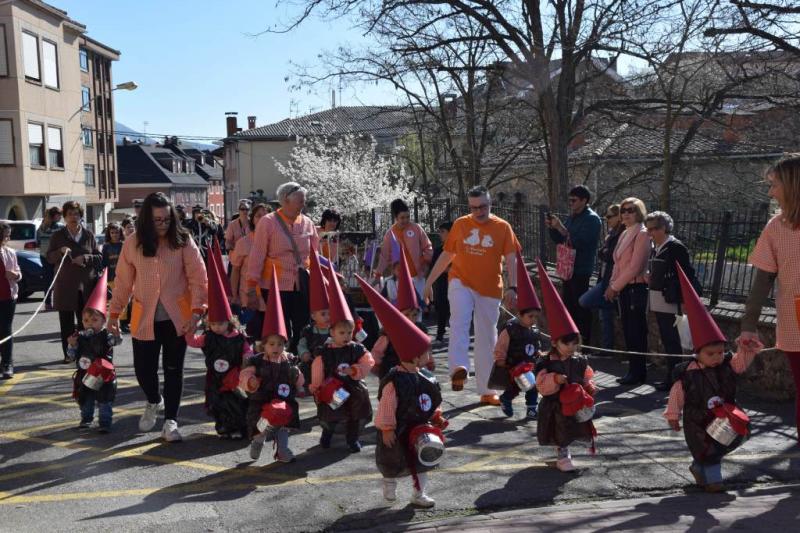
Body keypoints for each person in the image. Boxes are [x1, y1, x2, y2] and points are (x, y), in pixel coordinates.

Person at [108, 192, 207, 443]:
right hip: (144, 318)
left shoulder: (183, 240)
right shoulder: (132, 243)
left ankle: (171, 422)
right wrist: (114, 315)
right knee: (144, 371)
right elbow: (122, 283)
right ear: (146, 221)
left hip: (178, 318)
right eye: (157, 221)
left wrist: (197, 312)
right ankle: (154, 400)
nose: (163, 225)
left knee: (174, 370)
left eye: (166, 219)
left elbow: (198, 277)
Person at [665, 265, 764, 492]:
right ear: (696, 352)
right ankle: (712, 480)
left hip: (724, 418)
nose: (717, 357)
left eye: (720, 352)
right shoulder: (687, 374)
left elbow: (741, 362)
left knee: (720, 445)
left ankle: (700, 469)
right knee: (708, 449)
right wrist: (672, 415)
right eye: (711, 354)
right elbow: (676, 395)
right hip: (697, 422)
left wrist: (747, 348)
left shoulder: (727, 365)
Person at [423, 186, 518, 406]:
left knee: (487, 336)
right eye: (474, 207)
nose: (479, 211)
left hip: (490, 287)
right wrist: (429, 281)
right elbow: (448, 254)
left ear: (490, 203)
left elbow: (511, 258)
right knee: (459, 321)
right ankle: (459, 368)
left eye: (483, 206)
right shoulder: (461, 224)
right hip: (460, 281)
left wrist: (514, 287)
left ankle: (486, 389)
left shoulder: (503, 227)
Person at [358, 275, 448, 508]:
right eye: (425, 354)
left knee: (422, 460)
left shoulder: (425, 377)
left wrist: (436, 415)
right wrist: (387, 428)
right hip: (397, 428)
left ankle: (419, 494)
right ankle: (389, 484)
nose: (429, 357)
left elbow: (431, 399)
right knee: (393, 461)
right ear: (413, 356)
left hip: (419, 427)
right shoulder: (394, 381)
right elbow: (387, 406)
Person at [742, 156, 800, 444]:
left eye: (774, 185)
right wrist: (748, 326)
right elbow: (761, 281)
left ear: (792, 185)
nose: (770, 192)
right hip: (795, 317)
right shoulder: (777, 227)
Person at [535, 260, 597, 472]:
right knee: (560, 431)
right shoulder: (547, 362)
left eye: (574, 343)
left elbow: (586, 374)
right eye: (566, 343)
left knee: (575, 427)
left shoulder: (579, 360)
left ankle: (566, 451)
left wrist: (589, 384)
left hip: (575, 402)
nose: (571, 347)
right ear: (554, 342)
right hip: (555, 406)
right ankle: (563, 455)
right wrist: (555, 380)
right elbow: (541, 385)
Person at [239, 265, 303, 463]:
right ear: (264, 344)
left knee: (284, 426)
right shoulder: (256, 361)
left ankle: (282, 451)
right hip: (263, 402)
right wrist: (250, 382)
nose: (276, 348)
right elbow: (245, 376)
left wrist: (299, 381)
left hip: (284, 401)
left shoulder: (289, 359)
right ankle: (258, 441)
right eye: (272, 344)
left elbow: (298, 377)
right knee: (263, 427)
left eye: (280, 344)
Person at [246, 182, 319, 353]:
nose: (303, 204)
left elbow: (315, 255)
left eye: (304, 201)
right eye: (300, 201)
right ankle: (279, 365)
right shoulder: (268, 222)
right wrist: (251, 288)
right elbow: (257, 256)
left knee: (303, 328)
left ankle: (298, 364)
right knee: (280, 329)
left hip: (301, 285)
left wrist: (330, 275)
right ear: (286, 201)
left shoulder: (308, 223)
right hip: (274, 286)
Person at [185, 256, 252, 439]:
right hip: (215, 378)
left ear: (229, 322)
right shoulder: (209, 337)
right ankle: (223, 426)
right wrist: (189, 331)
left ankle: (238, 427)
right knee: (218, 403)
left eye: (220, 324)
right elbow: (194, 342)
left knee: (236, 402)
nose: (216, 327)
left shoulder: (238, 337)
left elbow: (247, 350)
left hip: (234, 375)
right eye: (213, 324)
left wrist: (247, 361)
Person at [309, 266, 374, 452]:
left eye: (349, 332)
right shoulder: (325, 352)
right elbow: (318, 369)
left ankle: (352, 439)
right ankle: (327, 435)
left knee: (355, 413)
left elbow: (368, 361)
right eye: (341, 332)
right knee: (331, 413)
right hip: (332, 388)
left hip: (352, 388)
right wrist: (316, 387)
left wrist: (355, 370)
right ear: (332, 332)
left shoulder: (356, 348)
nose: (346, 336)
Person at [645, 211, 697, 391]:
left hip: (672, 300)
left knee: (674, 341)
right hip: (659, 299)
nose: (651, 232)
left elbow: (687, 275)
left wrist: (684, 301)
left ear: (665, 228)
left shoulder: (675, 247)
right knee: (668, 340)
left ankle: (675, 379)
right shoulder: (656, 246)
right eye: (649, 228)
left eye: (655, 228)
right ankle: (673, 377)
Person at [545, 185, 603, 344]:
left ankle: (583, 342)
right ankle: (570, 340)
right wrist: (553, 228)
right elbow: (560, 239)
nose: (570, 203)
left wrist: (561, 228)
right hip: (567, 269)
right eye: (569, 200)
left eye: (574, 200)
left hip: (581, 269)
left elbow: (578, 242)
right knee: (568, 306)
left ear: (584, 200)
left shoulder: (592, 219)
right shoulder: (572, 217)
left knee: (580, 308)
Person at [47, 201, 102, 364]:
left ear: (81, 216)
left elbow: (99, 257)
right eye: (70, 214)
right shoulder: (58, 236)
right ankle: (68, 354)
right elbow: (49, 257)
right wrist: (60, 251)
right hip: (65, 287)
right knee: (66, 324)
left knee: (86, 323)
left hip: (86, 287)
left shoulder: (88, 235)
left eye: (76, 214)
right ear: (64, 217)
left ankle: (85, 353)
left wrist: (85, 258)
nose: (73, 217)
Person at [66, 270, 121, 433]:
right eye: (86, 320)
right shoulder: (79, 336)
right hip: (85, 373)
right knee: (86, 398)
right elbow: (70, 357)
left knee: (105, 399)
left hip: (103, 373)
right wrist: (71, 345)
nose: (89, 324)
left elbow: (116, 342)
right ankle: (86, 419)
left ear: (104, 321)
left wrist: (116, 334)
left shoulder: (106, 335)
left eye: (95, 320)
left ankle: (105, 422)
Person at [491, 250, 543, 419]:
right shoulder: (511, 328)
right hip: (512, 365)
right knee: (514, 387)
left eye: (536, 316)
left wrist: (538, 354)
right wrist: (500, 359)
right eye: (530, 316)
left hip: (528, 366)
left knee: (532, 386)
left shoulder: (534, 331)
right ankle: (506, 399)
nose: (533, 320)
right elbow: (501, 345)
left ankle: (532, 408)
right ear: (520, 315)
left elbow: (535, 346)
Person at [606, 197, 651, 385]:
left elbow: (634, 267)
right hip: (624, 288)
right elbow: (618, 264)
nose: (626, 213)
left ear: (639, 212)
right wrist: (612, 284)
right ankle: (633, 370)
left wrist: (614, 287)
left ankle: (638, 372)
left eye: (631, 210)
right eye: (623, 210)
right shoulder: (625, 232)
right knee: (628, 330)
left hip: (635, 288)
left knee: (636, 331)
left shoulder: (642, 234)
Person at [372, 251, 431, 380]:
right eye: (407, 315)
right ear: (393, 270)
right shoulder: (389, 333)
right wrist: (377, 366)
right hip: (392, 371)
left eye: (414, 315)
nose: (411, 318)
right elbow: (377, 352)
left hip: (414, 370)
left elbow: (425, 348)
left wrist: (427, 361)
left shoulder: (420, 329)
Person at [578, 204, 622, 354]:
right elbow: (604, 253)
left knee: (585, 300)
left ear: (619, 217)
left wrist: (603, 251)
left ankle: (607, 348)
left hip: (610, 280)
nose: (606, 219)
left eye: (610, 216)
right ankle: (606, 348)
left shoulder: (620, 235)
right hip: (604, 276)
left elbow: (609, 255)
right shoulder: (612, 233)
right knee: (605, 316)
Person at [376, 199, 433, 300]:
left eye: (408, 217)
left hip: (417, 276)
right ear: (395, 217)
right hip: (399, 278)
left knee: (418, 309)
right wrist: (378, 274)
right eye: (402, 218)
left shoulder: (416, 228)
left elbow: (428, 247)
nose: (406, 220)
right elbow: (384, 256)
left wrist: (424, 261)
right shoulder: (390, 234)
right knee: (402, 309)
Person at [229, 203, 270, 334]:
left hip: (271, 294)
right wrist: (234, 295)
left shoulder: (276, 241)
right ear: (252, 219)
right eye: (258, 216)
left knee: (271, 337)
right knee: (253, 335)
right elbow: (235, 270)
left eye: (266, 215)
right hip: (249, 295)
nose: (263, 219)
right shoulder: (243, 243)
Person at [297, 246, 331, 393]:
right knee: (305, 370)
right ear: (313, 316)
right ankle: (306, 387)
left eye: (329, 313)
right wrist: (303, 353)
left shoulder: (334, 330)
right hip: (311, 362)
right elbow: (302, 344)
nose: (327, 317)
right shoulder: (309, 330)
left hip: (331, 364)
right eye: (323, 314)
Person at [0, 222, 22, 379]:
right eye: (5, 234)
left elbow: (18, 271)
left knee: (6, 329)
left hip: (8, 296)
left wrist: (15, 275)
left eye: (9, 234)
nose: (8, 237)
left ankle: (7, 363)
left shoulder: (10, 252)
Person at [36, 206, 63, 309]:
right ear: (54, 216)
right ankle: (53, 302)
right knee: (57, 279)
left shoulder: (42, 227)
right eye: (59, 215)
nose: (60, 217)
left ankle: (48, 303)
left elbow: (38, 241)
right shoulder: (59, 227)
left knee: (48, 279)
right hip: (55, 256)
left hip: (44, 255)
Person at [431, 221, 453, 344]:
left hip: (455, 283)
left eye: (443, 231)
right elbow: (435, 267)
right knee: (441, 308)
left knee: (456, 310)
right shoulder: (439, 250)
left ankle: (455, 334)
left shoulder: (459, 249)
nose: (440, 234)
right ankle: (440, 334)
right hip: (442, 283)